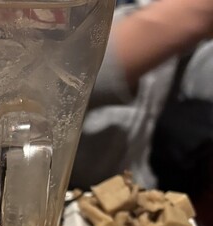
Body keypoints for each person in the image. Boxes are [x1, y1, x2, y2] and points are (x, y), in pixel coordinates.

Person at [70, 0, 213, 192]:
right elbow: (57, 79)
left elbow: (197, 77)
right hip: (49, 190)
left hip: (135, 188)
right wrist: (192, 12)